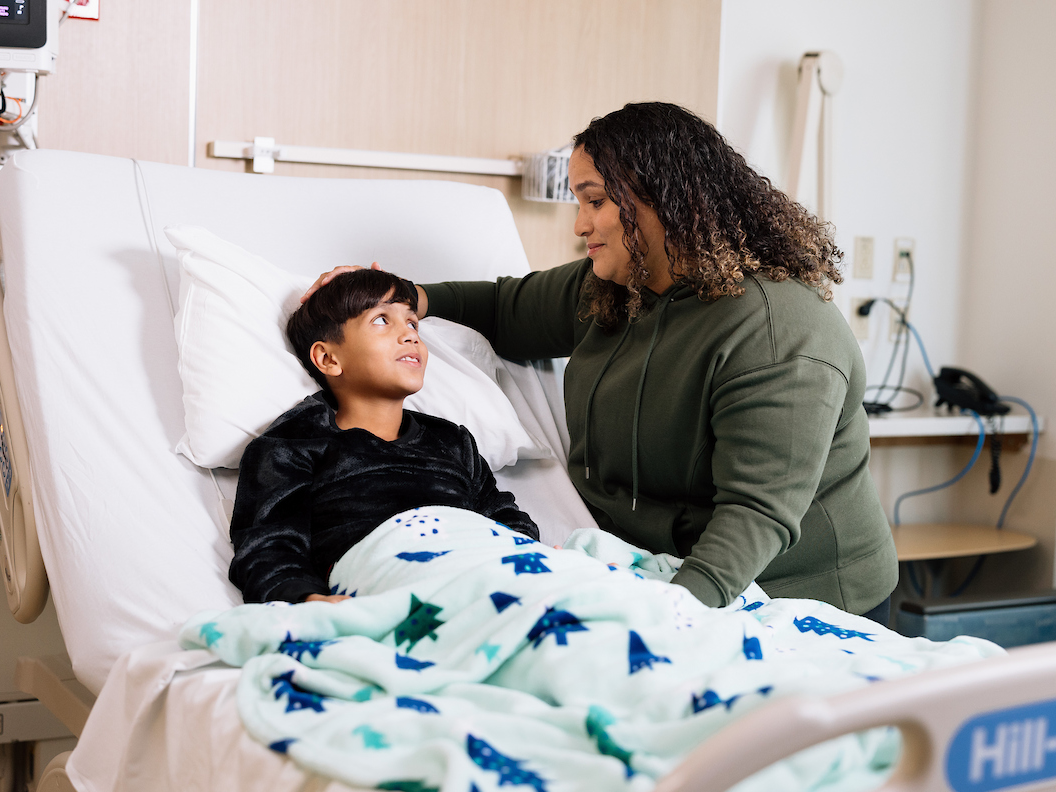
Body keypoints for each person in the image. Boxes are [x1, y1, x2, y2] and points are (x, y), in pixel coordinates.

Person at [305, 103, 897, 622]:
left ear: (669, 199)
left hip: (796, 595)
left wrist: (662, 624)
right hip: (651, 573)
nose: (580, 224)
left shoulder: (774, 331)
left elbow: (754, 516)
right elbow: (507, 307)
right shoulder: (618, 286)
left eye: (594, 200)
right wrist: (401, 297)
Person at [229, 269, 539, 604]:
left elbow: (504, 516)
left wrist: (532, 559)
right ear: (328, 358)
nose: (409, 335)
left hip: (482, 574)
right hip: (391, 588)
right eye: (381, 320)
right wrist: (307, 599)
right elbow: (269, 548)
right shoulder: (292, 445)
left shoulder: (451, 441)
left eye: (412, 322)